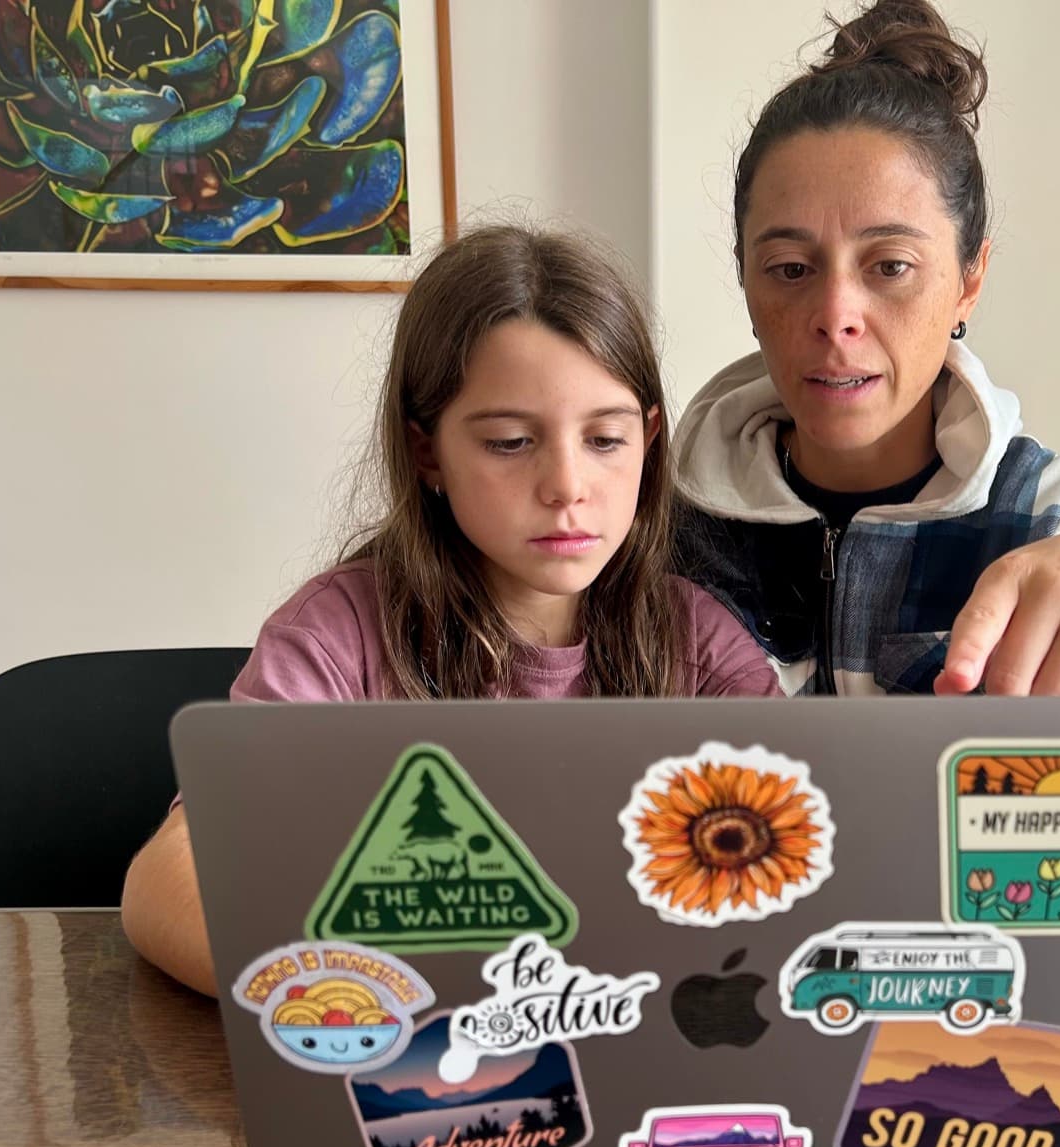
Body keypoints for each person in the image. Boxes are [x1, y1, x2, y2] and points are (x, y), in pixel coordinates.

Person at [673, 0, 1060, 906]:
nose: (835, 314)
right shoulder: (662, 526)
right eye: (790, 267)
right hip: (728, 1002)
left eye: (890, 266)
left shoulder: (1058, 516)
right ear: (746, 282)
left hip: (986, 1006)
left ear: (971, 279)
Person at [123, 225, 781, 995]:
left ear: (650, 441)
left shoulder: (700, 646)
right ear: (428, 451)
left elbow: (796, 872)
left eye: (606, 438)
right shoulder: (337, 639)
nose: (568, 485)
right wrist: (371, 994)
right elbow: (167, 880)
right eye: (509, 442)